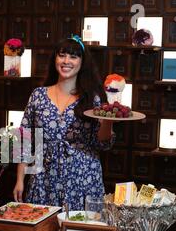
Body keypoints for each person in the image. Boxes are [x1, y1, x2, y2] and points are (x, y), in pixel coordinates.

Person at [13, 35, 115, 210]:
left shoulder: (92, 98)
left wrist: (109, 121)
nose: (66, 61)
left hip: (83, 178)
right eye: (62, 55)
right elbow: (26, 140)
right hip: (43, 177)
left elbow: (102, 143)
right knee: (43, 230)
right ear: (55, 59)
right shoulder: (38, 95)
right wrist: (20, 180)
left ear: (82, 62)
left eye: (73, 56)